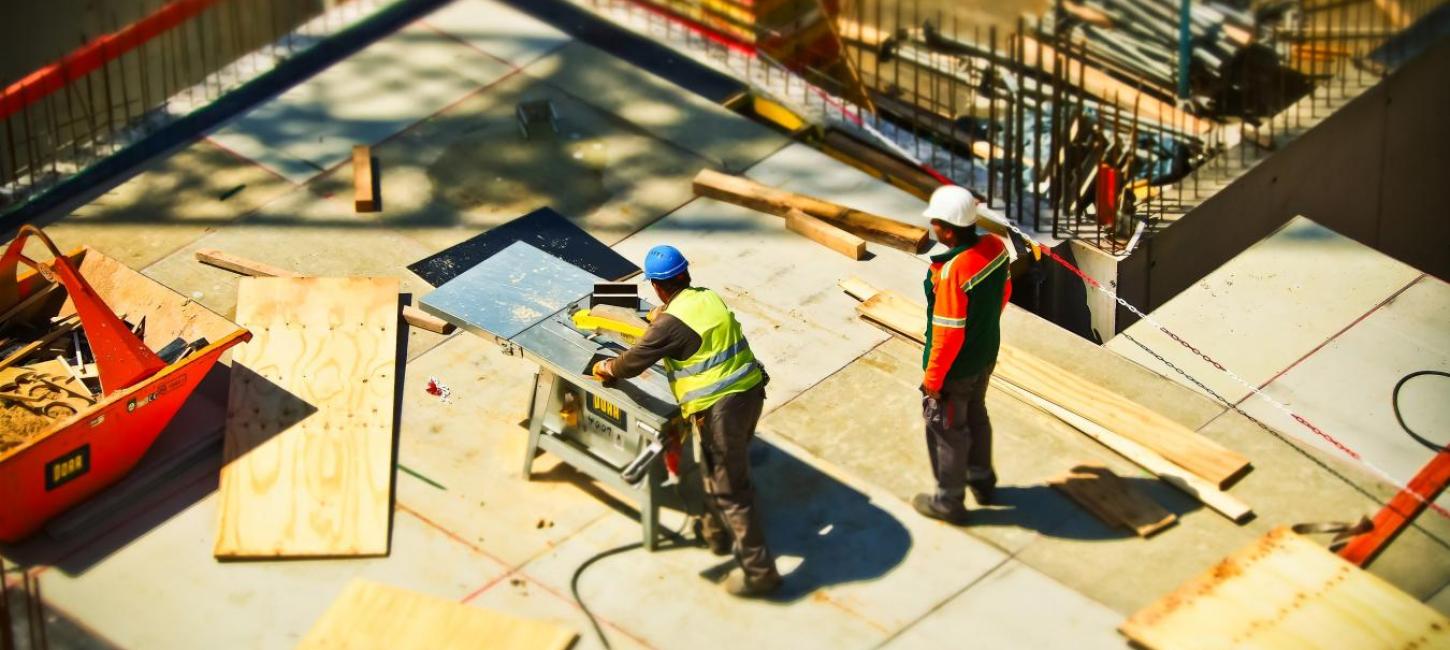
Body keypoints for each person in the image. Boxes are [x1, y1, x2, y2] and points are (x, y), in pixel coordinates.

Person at [592, 245, 782, 597]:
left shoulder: (668, 325)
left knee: (731, 489)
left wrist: (606, 367)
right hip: (751, 393)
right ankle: (716, 533)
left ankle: (761, 573)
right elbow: (688, 324)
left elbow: (632, 363)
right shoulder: (705, 297)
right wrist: (663, 317)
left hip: (720, 410)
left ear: (657, 286)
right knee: (716, 467)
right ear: (685, 274)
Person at [913, 185, 1013, 524]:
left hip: (957, 369)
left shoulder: (954, 270)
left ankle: (948, 502)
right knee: (976, 416)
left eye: (936, 223)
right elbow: (1005, 291)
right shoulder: (995, 248)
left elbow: (947, 334)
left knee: (946, 429)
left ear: (948, 229)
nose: (933, 229)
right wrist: (983, 332)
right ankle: (983, 481)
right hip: (985, 354)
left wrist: (933, 380)